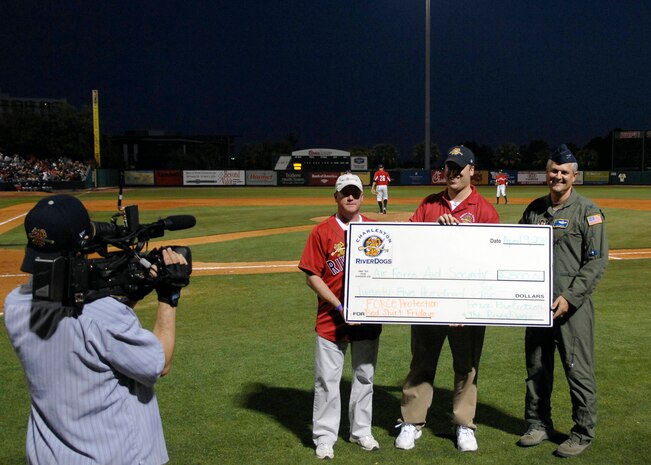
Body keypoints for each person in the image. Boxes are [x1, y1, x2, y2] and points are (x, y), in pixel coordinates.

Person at [3, 194, 190, 465]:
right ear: (82, 245)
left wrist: (129, 297)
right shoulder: (99, 316)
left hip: (50, 455)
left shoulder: (15, 305)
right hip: (113, 455)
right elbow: (158, 364)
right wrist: (168, 296)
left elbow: (85, 338)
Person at [395, 146, 499, 453]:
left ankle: (464, 424)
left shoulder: (484, 209)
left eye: (458, 168)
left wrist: (466, 236)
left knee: (466, 367)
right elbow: (409, 244)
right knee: (422, 362)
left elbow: (491, 259)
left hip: (466, 306)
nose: (452, 173)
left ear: (471, 170)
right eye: (448, 168)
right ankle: (411, 421)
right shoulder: (429, 204)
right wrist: (433, 229)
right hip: (429, 300)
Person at [517, 144, 608, 458]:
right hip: (536, 306)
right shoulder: (534, 209)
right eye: (553, 171)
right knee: (537, 369)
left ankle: (582, 433)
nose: (558, 176)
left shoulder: (588, 212)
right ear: (547, 173)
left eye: (564, 172)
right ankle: (538, 424)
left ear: (574, 176)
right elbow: (514, 249)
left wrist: (569, 298)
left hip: (573, 309)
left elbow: (596, 263)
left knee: (577, 370)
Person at [299, 173, 382, 460]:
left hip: (367, 319)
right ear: (335, 196)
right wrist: (339, 306)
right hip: (331, 319)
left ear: (362, 197)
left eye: (355, 193)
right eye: (345, 193)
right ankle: (324, 437)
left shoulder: (375, 231)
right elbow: (312, 275)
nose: (350, 197)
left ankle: (361, 431)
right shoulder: (322, 232)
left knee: (364, 377)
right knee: (327, 381)